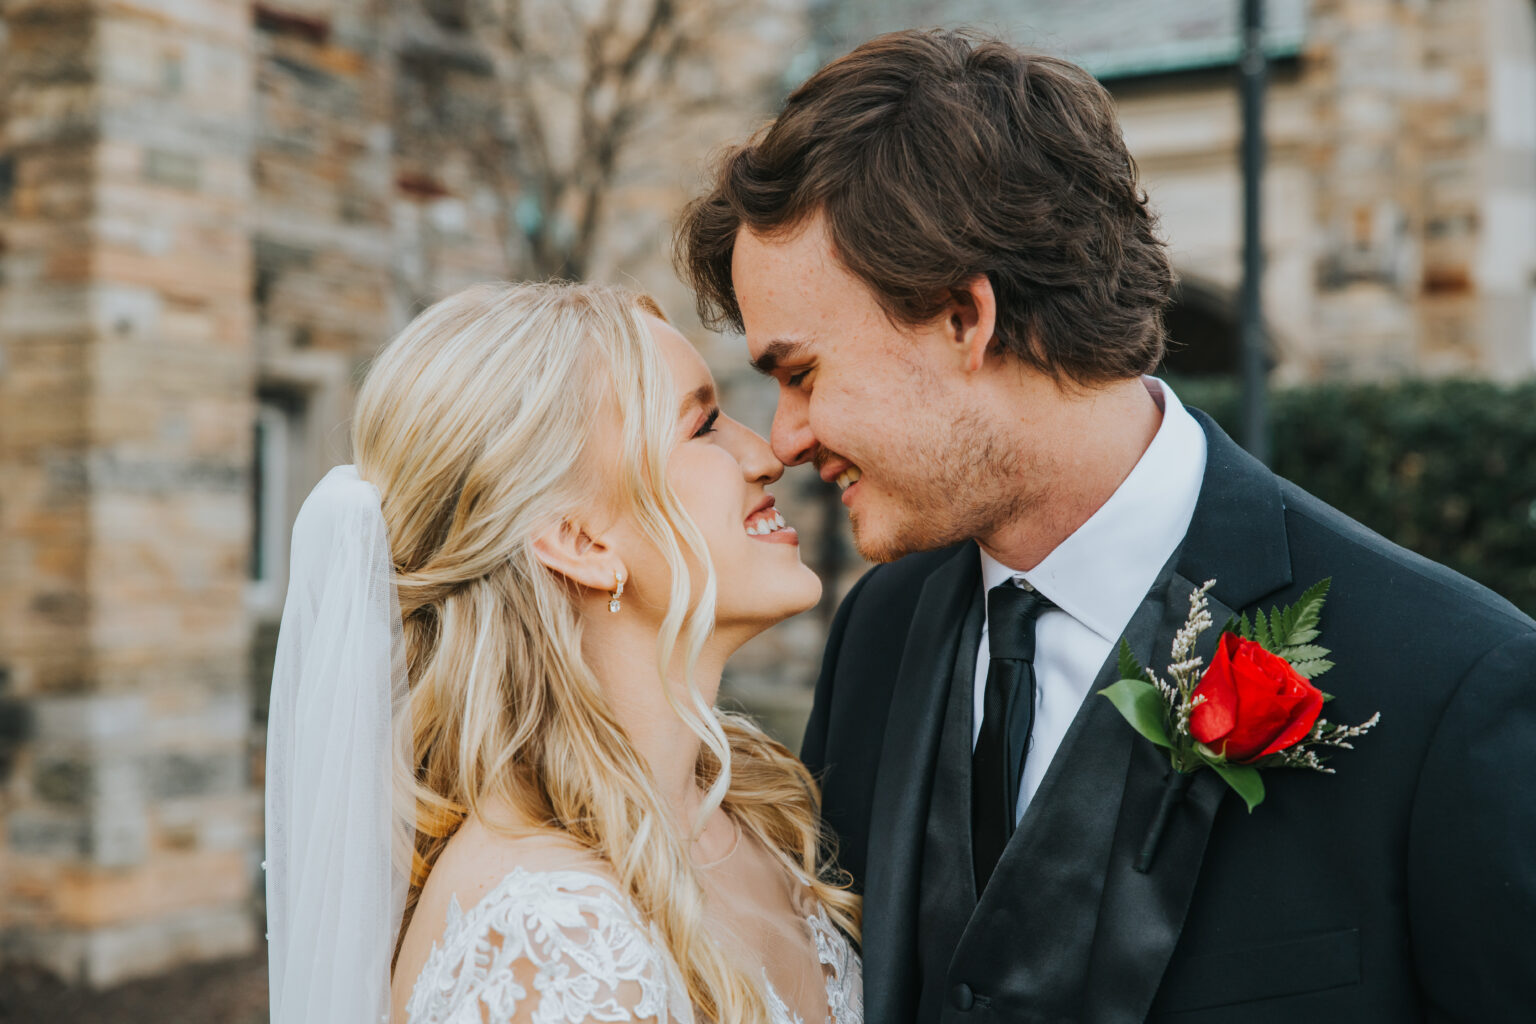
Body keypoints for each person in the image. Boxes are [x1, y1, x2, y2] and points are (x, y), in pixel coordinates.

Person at [676, 28, 1536, 1024]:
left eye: (802, 374)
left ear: (965, 317)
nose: (784, 438)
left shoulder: (1451, 687)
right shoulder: (881, 632)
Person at [263, 282, 863, 1024]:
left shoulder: (750, 817)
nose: (767, 453)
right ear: (579, 542)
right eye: (704, 425)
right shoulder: (551, 943)